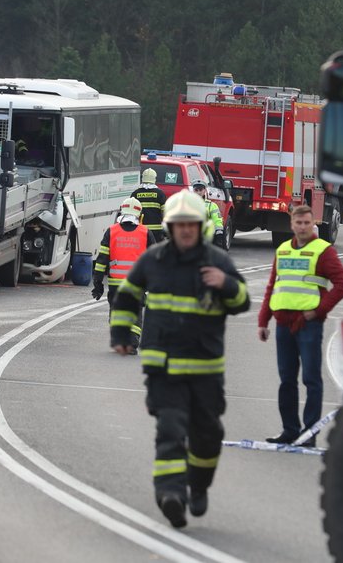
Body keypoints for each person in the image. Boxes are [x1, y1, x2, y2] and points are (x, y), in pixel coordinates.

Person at [111, 190, 249, 528]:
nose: (185, 230)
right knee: (170, 431)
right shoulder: (153, 259)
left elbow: (243, 301)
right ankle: (171, 495)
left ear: (200, 225)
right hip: (164, 370)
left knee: (207, 435)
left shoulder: (218, 261)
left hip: (206, 371)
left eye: (191, 224)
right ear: (170, 227)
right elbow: (127, 295)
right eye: (178, 225)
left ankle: (198, 486)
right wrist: (119, 336)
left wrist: (226, 285)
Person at [257, 204, 343, 447]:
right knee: (286, 379)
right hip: (283, 324)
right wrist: (263, 320)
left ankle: (309, 433)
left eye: (307, 223)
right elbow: (272, 287)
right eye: (298, 223)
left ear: (313, 224)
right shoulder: (284, 250)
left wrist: (319, 310)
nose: (302, 227)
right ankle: (290, 430)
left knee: (311, 379)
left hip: (309, 324)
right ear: (292, 225)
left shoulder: (323, 251)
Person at [93, 198, 156, 353]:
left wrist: (98, 284)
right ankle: (132, 340)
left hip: (116, 285)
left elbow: (101, 260)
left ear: (122, 211)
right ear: (139, 214)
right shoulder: (146, 233)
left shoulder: (111, 231)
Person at [132, 168, 167, 242]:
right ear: (154, 179)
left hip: (140, 230)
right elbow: (165, 213)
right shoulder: (160, 194)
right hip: (156, 232)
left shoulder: (135, 193)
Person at [191, 180, 225, 249]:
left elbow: (217, 221)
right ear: (193, 191)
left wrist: (219, 235)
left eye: (200, 190)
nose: (198, 192)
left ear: (204, 191)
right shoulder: (188, 204)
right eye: (196, 190)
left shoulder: (211, 206)